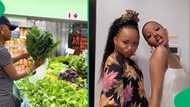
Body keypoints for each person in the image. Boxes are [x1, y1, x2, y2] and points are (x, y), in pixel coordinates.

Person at [99, 10, 148, 107]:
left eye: (135, 43)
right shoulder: (114, 61)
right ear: (115, 40)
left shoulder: (128, 61)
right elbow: (110, 102)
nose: (130, 48)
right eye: (125, 42)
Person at [142, 21, 189, 107]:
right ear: (149, 43)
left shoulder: (176, 57)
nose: (155, 35)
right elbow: (155, 95)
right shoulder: (160, 52)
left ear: (165, 31)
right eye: (149, 36)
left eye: (157, 29)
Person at [0, 16, 44, 107]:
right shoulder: (2, 51)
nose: (11, 32)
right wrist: (34, 66)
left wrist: (22, 56)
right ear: (1, 29)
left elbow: (5, 62)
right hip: (3, 99)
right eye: (9, 28)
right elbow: (15, 76)